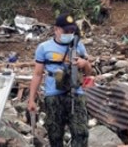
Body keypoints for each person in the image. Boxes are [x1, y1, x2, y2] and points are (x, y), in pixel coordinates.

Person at [27, 13, 92, 147]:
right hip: (53, 94)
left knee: (81, 132)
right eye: (66, 31)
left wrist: (84, 64)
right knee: (54, 134)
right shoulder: (44, 48)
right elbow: (38, 74)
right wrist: (31, 99)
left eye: (72, 31)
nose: (69, 33)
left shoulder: (78, 45)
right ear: (56, 29)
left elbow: (89, 73)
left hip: (75, 93)